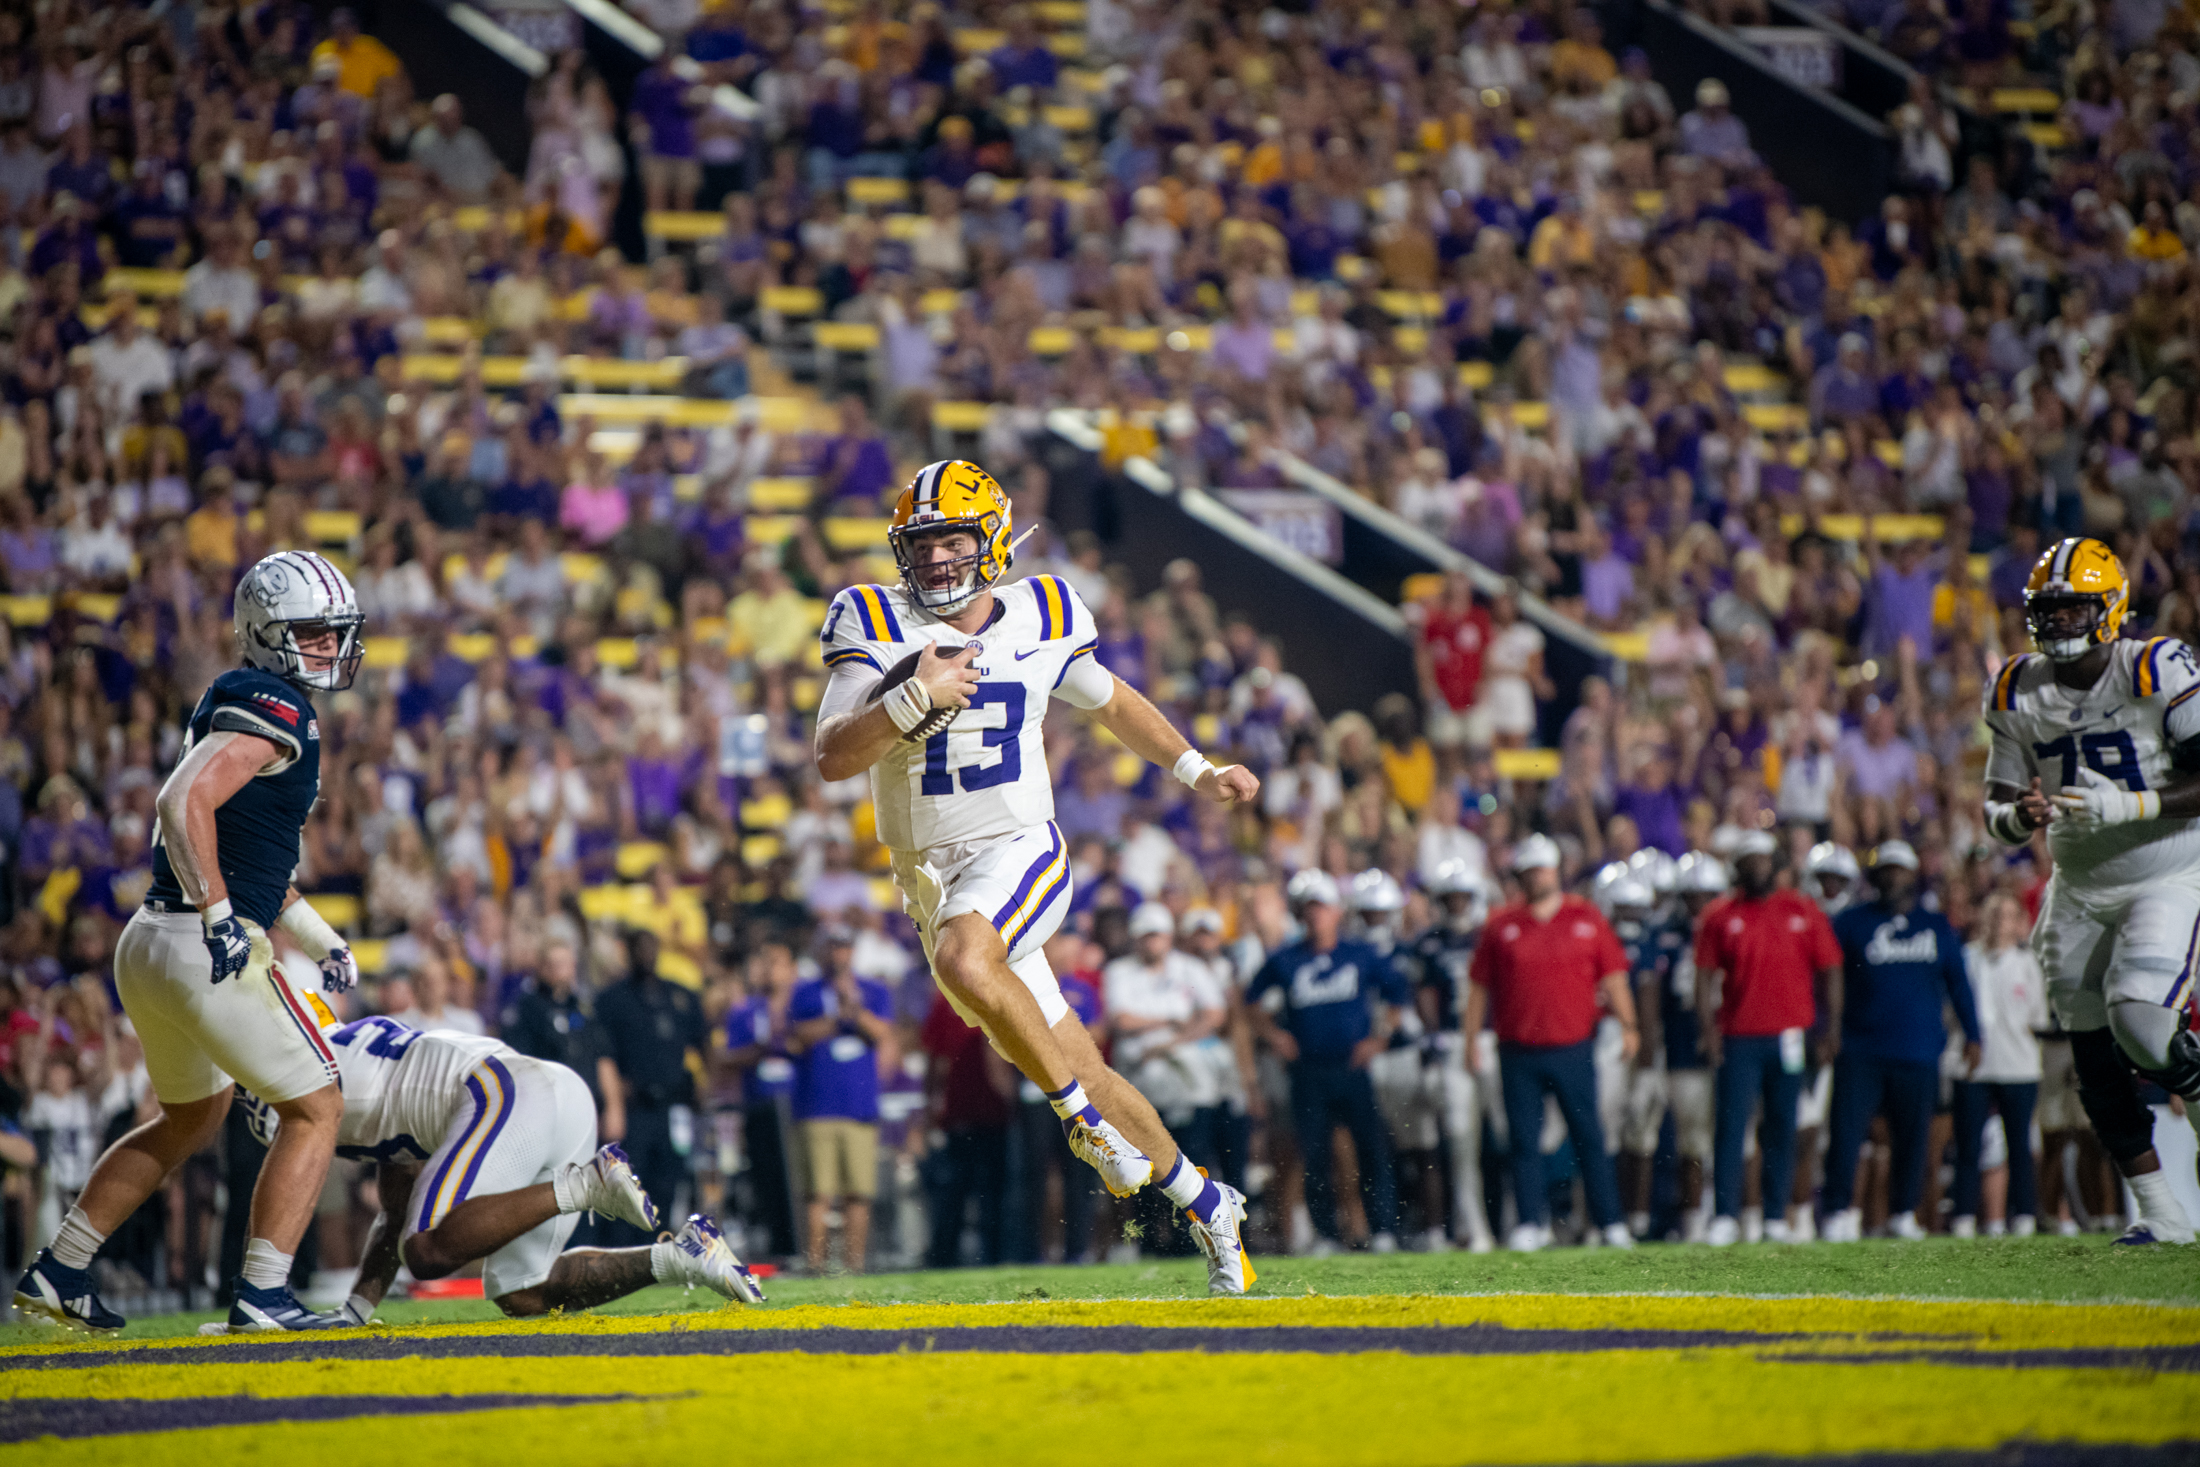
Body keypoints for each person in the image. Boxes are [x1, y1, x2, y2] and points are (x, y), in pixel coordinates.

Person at [813, 459, 1260, 1293]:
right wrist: (914, 693)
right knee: (1076, 1058)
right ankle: (1208, 1199)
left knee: (966, 961)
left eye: (953, 538)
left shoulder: (1044, 609)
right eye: (924, 542)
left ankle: (1083, 1129)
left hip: (1019, 845)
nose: (939, 559)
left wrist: (1196, 769)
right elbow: (833, 753)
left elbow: (1113, 700)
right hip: (931, 880)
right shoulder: (869, 616)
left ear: (990, 537)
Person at [15, 552, 365, 1333]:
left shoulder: (238, 697)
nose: (328, 650)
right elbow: (183, 799)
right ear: (268, 635)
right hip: (196, 939)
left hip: (152, 940)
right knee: (317, 1106)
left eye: (331, 634)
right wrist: (217, 916)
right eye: (312, 634)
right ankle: (264, 1293)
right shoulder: (278, 705)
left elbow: (252, 864)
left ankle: (59, 1269)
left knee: (189, 1120)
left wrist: (320, 935)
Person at [243, 1006, 761, 1321]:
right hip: (551, 1094)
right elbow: (399, 1205)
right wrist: (356, 1310)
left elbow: (293, 1129)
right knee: (523, 1292)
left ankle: (585, 1185)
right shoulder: (356, 1062)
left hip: (500, 1090)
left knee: (427, 1252)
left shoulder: (311, 1079)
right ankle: (682, 1256)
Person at [1980, 536, 2200, 1243]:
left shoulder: (2156, 666)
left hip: (2166, 868)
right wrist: (2018, 816)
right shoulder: (2017, 686)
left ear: (2109, 609)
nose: (2061, 624)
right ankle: (2160, 1210)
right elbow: (1997, 806)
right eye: (2051, 610)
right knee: (2091, 1049)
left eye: (2075, 610)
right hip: (2076, 883)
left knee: (2142, 1019)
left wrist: (2132, 804)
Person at [1466, 834, 1638, 1251]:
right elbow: (1479, 988)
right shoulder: (1502, 924)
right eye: (1528, 870)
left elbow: (1613, 976)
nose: (1535, 876)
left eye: (1541, 868)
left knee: (1588, 1136)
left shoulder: (1587, 917)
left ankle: (1609, 1221)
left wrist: (1630, 1024)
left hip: (1573, 1045)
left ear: (1555, 870)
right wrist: (1470, 1038)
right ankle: (1530, 1221)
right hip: (1518, 1047)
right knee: (1523, 1140)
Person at [1821, 842, 1981, 1241]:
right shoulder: (1851, 922)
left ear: (1914, 875)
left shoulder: (1937, 925)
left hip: (1919, 1050)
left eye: (1900, 870)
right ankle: (1839, 1211)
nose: (1893, 878)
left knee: (1912, 1140)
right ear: (1874, 878)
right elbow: (1828, 982)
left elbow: (1959, 984)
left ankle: (1902, 1212)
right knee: (1846, 1134)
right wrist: (1827, 1030)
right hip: (1860, 1049)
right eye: (1886, 871)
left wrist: (1974, 1034)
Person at [1247, 870, 1412, 1254]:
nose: (1315, 916)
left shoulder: (1359, 953)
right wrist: (1274, 1036)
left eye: (1321, 908)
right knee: (1315, 1154)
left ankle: (1383, 1227)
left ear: (1337, 912)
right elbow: (1250, 1001)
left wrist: (1381, 1039)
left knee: (1372, 1150)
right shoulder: (1286, 959)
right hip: (1308, 1070)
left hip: (1353, 1067)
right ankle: (1325, 1234)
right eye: (1309, 909)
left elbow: (1398, 992)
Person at [1695, 828, 1843, 1246]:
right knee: (1731, 1128)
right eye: (1750, 861)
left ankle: (1775, 1215)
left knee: (1782, 1126)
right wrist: (1708, 1032)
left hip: (1789, 1038)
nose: (1759, 867)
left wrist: (1829, 1028)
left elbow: (1830, 968)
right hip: (1739, 1036)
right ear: (1738, 868)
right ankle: (1726, 1215)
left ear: (1775, 864)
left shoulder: (1802, 909)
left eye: (1765, 859)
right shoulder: (1720, 916)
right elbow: (1703, 979)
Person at [1395, 857, 1496, 1251]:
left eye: (1461, 897)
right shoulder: (1428, 942)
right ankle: (1475, 1227)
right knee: (1460, 1137)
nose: (1456, 904)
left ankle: (1521, 1220)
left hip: (1491, 1039)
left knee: (1509, 1137)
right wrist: (1432, 1037)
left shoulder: (1489, 936)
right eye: (1449, 898)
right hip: (1452, 1042)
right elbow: (1422, 994)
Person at [784, 928, 896, 1274]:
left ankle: (854, 1265)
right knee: (818, 1192)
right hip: (816, 1106)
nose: (839, 954)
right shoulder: (805, 992)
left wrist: (854, 1010)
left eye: (845, 946)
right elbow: (796, 1036)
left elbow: (882, 1033)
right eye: (833, 946)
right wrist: (836, 1020)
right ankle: (815, 1266)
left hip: (858, 1104)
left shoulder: (873, 990)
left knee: (858, 1191)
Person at [592, 928, 708, 1242]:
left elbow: (704, 1043)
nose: (646, 954)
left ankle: (658, 1252)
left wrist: (702, 1084)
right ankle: (621, 1253)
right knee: (629, 1182)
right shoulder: (611, 1000)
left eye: (651, 948)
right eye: (639, 948)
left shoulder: (679, 996)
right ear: (628, 952)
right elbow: (603, 1053)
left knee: (668, 1181)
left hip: (673, 1106)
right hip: (634, 1107)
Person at [1952, 891, 2048, 1238]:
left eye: (2006, 915)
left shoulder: (2027, 963)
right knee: (1968, 1146)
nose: (1998, 922)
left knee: (2019, 1145)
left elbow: (2037, 1015)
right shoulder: (1966, 958)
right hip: (1973, 1066)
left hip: (2018, 1065)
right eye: (1994, 914)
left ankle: (2023, 1215)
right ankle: (1963, 1217)